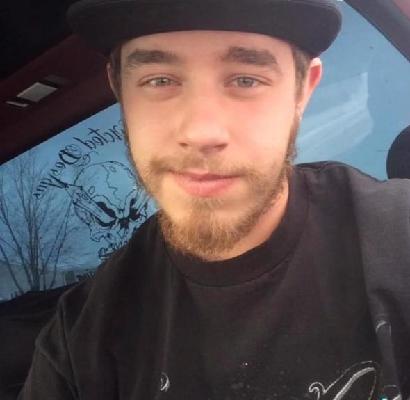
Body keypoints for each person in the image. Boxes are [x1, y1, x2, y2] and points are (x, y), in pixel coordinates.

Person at [19, 0, 410, 399]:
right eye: (159, 80)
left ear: (302, 92)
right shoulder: (79, 340)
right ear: (121, 91)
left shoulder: (398, 236)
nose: (201, 132)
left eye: (246, 80)